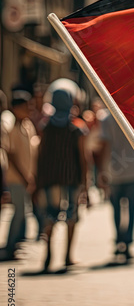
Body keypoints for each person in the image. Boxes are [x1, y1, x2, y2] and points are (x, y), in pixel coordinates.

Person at [37, 89, 87, 272]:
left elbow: (40, 155)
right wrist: (86, 183)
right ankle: (67, 256)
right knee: (71, 217)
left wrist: (37, 180)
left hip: (50, 179)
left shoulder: (45, 126)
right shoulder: (76, 127)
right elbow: (82, 157)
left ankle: (48, 255)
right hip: (71, 179)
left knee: (50, 217)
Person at [0, 86, 37, 261]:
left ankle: (14, 244)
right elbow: (12, 155)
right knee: (19, 212)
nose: (29, 110)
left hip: (26, 177)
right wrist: (24, 177)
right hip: (16, 178)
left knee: (23, 212)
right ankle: (9, 246)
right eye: (25, 107)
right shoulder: (12, 128)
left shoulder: (27, 125)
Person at [99, 113, 134, 262]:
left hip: (114, 172)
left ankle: (119, 241)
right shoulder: (133, 117)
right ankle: (127, 242)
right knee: (131, 209)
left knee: (116, 209)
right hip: (133, 170)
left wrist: (103, 171)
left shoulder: (106, 119)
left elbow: (105, 145)